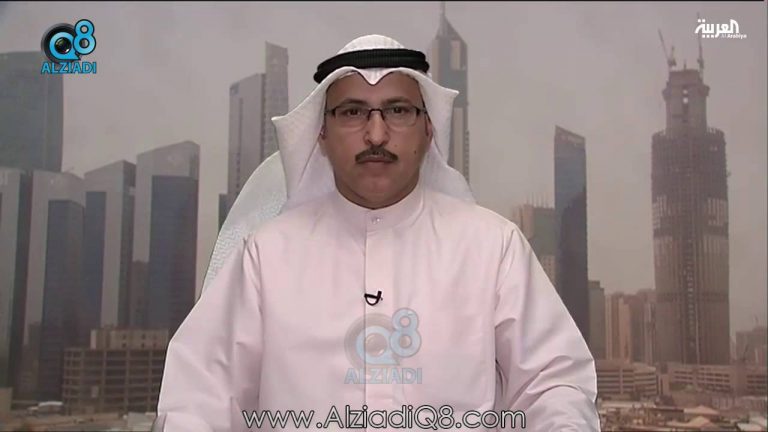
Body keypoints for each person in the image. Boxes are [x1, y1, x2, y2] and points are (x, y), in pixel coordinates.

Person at [153, 35, 599, 432]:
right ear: (322, 134)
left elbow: (553, 386)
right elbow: (200, 397)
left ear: (428, 129)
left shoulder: (493, 248)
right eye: (353, 112)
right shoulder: (265, 257)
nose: (376, 133)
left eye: (398, 111)